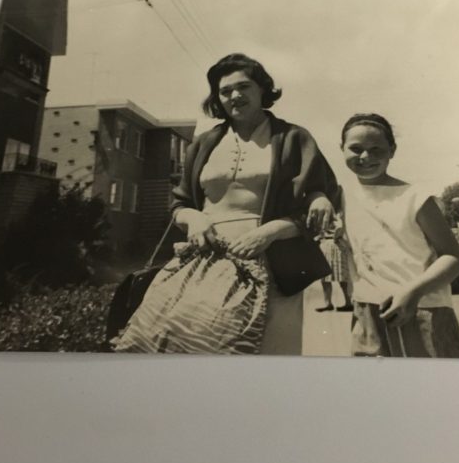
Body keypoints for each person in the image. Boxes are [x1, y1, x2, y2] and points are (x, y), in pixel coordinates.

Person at [113, 53, 339, 355]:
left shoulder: (293, 138)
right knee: (185, 342)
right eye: (225, 91)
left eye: (244, 87)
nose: (235, 95)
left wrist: (271, 231)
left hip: (274, 259)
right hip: (205, 259)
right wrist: (195, 219)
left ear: (262, 89)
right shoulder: (205, 142)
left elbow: (319, 198)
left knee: (267, 351)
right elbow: (179, 204)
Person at [339, 113, 459, 358]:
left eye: (377, 149)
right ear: (342, 149)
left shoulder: (415, 197)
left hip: (423, 307)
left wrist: (413, 292)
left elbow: (453, 257)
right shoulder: (342, 197)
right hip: (368, 311)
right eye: (356, 149)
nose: (365, 157)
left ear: (392, 150)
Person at [315, 218, 353, 312]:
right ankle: (328, 303)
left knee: (341, 276)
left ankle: (348, 302)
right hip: (325, 245)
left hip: (337, 245)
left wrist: (337, 235)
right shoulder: (322, 216)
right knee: (325, 277)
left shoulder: (339, 216)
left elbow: (341, 227)